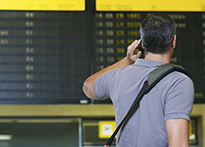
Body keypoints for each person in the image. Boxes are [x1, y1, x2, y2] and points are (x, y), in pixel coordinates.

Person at [83, 13, 194, 147]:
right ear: (173, 41)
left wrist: (126, 61)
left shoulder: (118, 76)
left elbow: (88, 86)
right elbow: (178, 144)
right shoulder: (178, 82)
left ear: (142, 44)